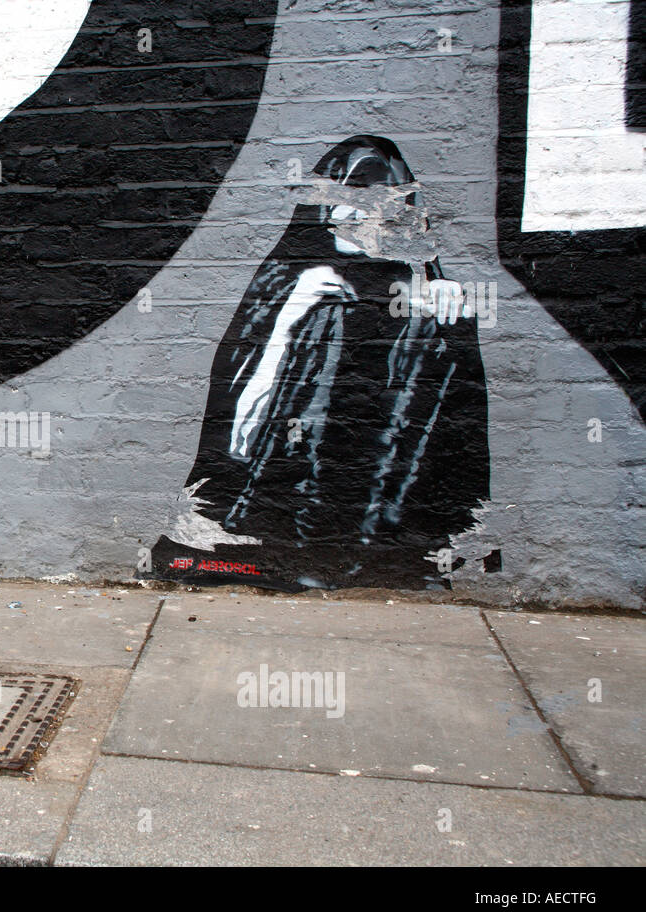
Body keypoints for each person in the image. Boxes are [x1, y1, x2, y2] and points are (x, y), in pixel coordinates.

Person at [149, 135, 490, 590]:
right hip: (275, 488)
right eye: (346, 201)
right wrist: (300, 304)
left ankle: (364, 541)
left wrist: (448, 310)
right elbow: (243, 407)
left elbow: (452, 419)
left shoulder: (417, 292)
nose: (357, 217)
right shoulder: (291, 278)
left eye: (376, 204)